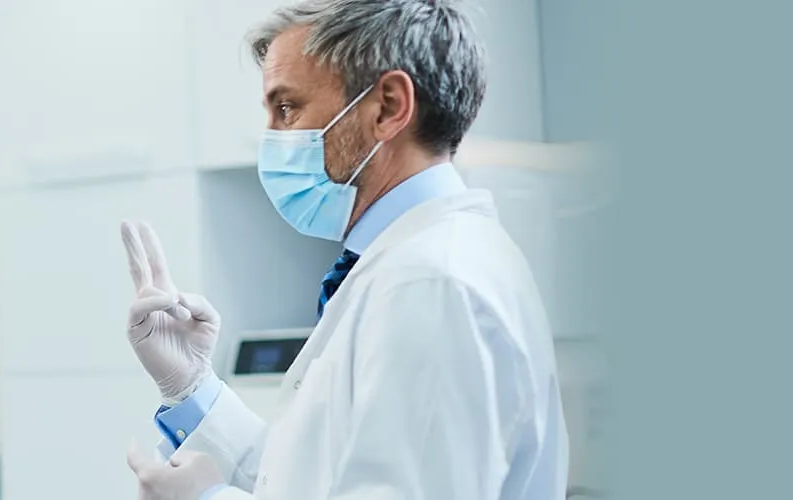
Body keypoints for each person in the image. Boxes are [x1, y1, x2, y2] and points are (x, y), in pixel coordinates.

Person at [119, 1, 568, 499]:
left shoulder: (433, 281)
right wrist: (190, 385)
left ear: (389, 106)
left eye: (286, 108)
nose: (271, 136)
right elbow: (308, 479)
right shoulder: (405, 265)